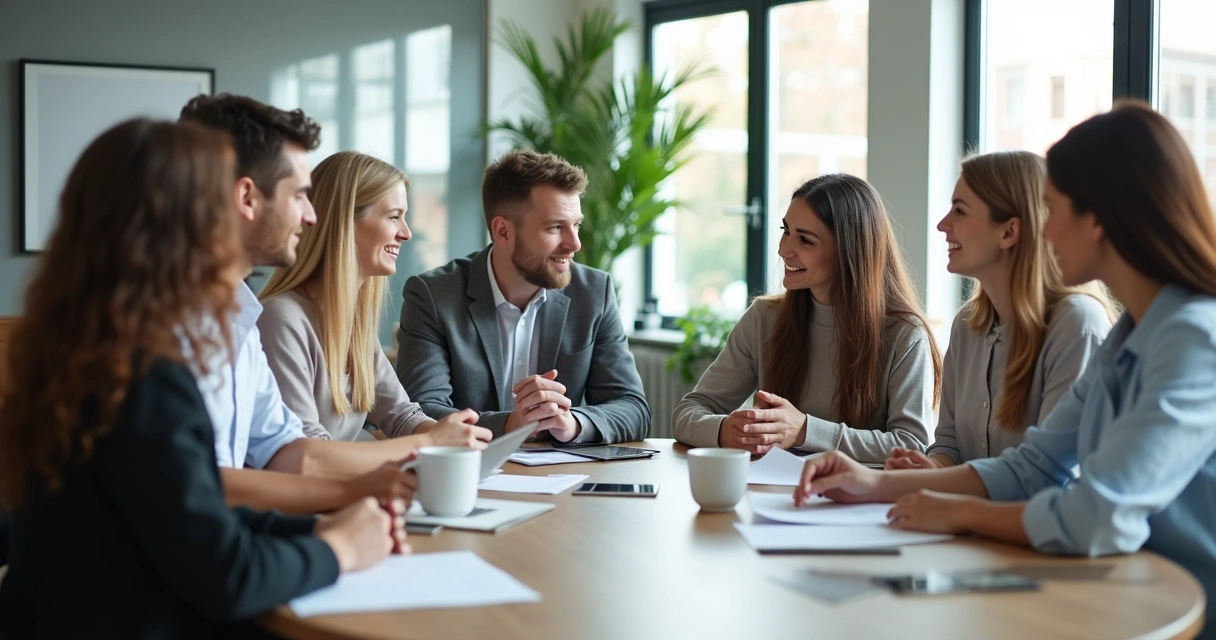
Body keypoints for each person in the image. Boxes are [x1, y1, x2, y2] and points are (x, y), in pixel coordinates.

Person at [795, 102, 1216, 639]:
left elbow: (1097, 514)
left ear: (1101, 219)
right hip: (1122, 584)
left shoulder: (1194, 337)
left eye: (1053, 209)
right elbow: (1035, 467)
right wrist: (872, 484)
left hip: (1183, 607)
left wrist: (958, 512)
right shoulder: (1132, 333)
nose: (1045, 230)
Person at [0, 118, 404, 638]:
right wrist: (338, 547)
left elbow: (190, 504)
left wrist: (320, 526)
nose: (309, 215)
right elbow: (227, 574)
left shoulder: (90, 343)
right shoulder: (146, 370)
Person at [180, 94, 483, 515]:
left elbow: (286, 453)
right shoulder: (264, 319)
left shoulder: (242, 319)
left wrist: (443, 445)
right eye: (299, 196)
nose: (310, 216)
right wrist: (426, 447)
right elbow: (293, 462)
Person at [673, 174, 942, 464]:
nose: (783, 249)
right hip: (773, 495)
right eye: (785, 231)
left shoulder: (905, 334)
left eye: (805, 240)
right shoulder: (763, 319)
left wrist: (805, 431)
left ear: (848, 251)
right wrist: (725, 430)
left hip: (858, 503)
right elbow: (688, 413)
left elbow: (912, 446)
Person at [396, 150, 650, 444]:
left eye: (576, 225)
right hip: (469, 477)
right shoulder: (433, 296)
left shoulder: (594, 292)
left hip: (563, 482)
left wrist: (573, 424)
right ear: (503, 231)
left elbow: (633, 408)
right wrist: (510, 425)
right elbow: (418, 412)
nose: (575, 243)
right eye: (555, 227)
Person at [885, 151, 1114, 471]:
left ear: (1008, 232)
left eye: (959, 211)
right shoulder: (966, 324)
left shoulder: (1076, 324)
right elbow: (949, 441)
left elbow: (1047, 474)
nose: (942, 225)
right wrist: (930, 468)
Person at [258, 151, 493, 445]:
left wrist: (452, 438)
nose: (406, 233)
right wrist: (428, 444)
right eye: (394, 217)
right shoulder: (281, 318)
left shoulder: (351, 319)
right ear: (344, 223)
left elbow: (401, 415)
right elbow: (309, 449)